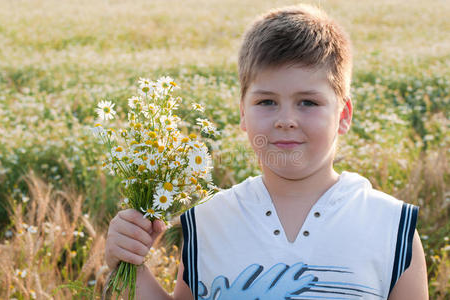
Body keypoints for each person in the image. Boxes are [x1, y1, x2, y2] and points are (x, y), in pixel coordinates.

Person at [104, 4, 429, 300]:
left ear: (343, 116)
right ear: (243, 114)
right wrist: (128, 264)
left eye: (308, 102)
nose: (286, 120)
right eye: (267, 102)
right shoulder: (206, 222)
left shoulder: (392, 228)